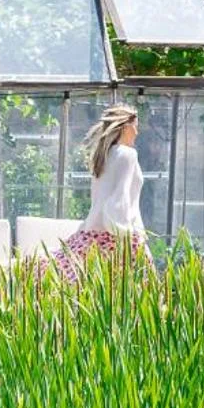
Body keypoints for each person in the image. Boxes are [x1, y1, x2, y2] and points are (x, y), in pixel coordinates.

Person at [50, 104, 150, 281]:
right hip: (118, 234)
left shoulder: (103, 155)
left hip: (91, 233)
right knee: (141, 290)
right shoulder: (127, 154)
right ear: (126, 126)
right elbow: (121, 197)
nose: (137, 132)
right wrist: (128, 237)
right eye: (135, 126)